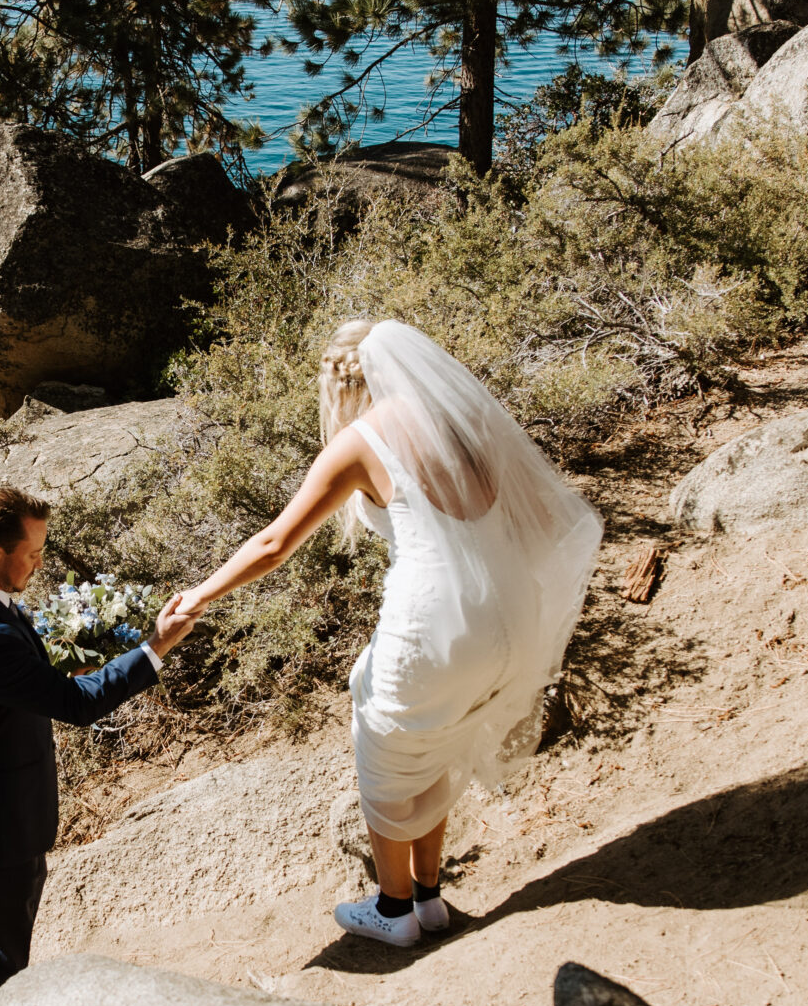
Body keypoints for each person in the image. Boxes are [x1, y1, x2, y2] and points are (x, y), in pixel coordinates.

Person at [160, 319, 602, 948]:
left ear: (342, 384)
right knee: (436, 739)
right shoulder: (459, 419)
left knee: (386, 748)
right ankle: (429, 897)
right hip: (508, 613)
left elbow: (274, 544)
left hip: (436, 623)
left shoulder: (360, 440)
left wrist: (200, 593)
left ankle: (393, 911)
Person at [0, 485, 194, 1006]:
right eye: (33, 552)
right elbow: (74, 704)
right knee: (1, 955)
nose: (41, 562)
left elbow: (23, 685)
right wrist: (155, 646)